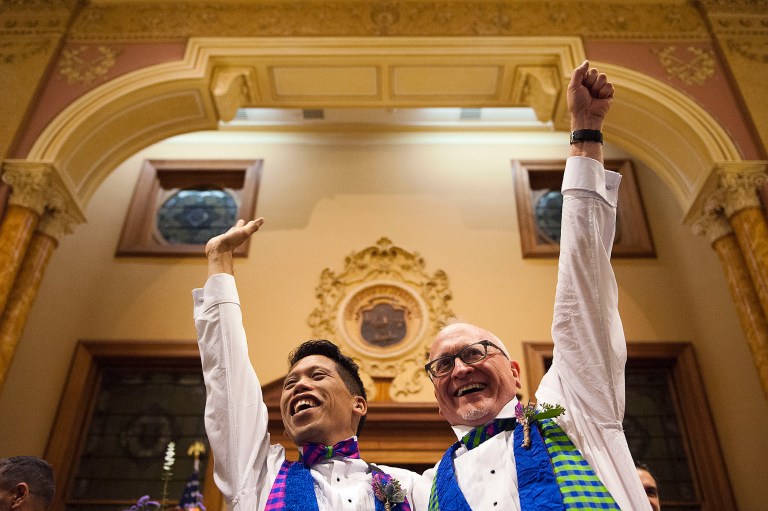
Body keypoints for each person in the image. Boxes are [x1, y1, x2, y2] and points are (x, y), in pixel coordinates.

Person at [421, 60, 652, 510]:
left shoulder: (574, 411)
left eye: (474, 352)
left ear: (514, 373)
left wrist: (585, 133)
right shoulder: (423, 486)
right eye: (443, 365)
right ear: (438, 397)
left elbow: (583, 293)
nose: (461, 370)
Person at [194, 221, 422, 511]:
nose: (299, 385)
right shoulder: (260, 477)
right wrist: (219, 260)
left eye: (318, 375)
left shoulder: (409, 487)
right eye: (290, 383)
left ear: (359, 405)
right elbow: (227, 379)